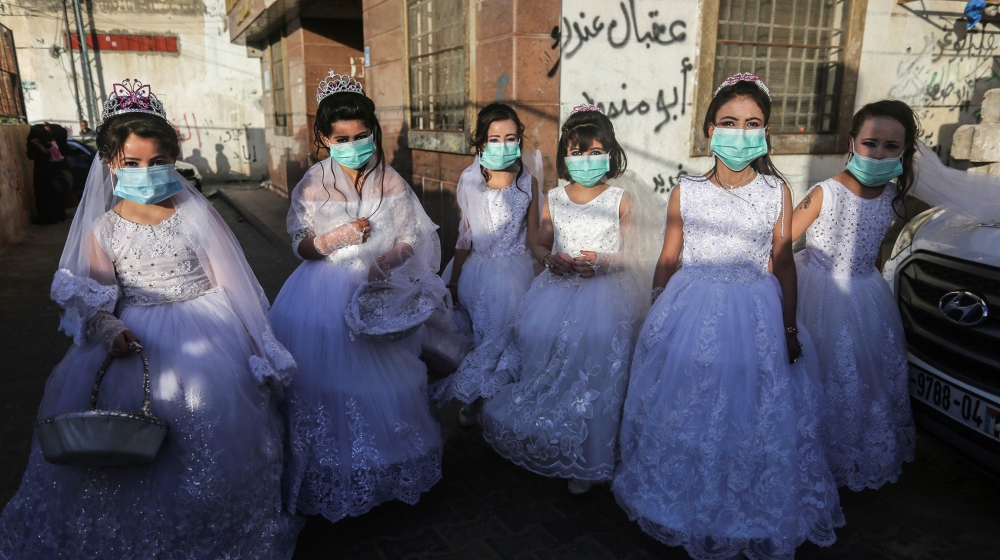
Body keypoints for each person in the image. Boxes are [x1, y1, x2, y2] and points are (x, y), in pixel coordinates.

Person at [0, 79, 302, 558]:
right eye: (132, 163)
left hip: (211, 332)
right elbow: (96, 303)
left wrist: (259, 345)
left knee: (214, 439)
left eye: (158, 161)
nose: (146, 172)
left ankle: (217, 532)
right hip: (138, 340)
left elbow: (234, 284)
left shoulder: (195, 214)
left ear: (173, 160)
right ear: (110, 165)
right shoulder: (102, 229)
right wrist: (111, 328)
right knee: (134, 445)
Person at [612, 73, 843, 559]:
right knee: (691, 405)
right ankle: (684, 500)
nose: (740, 133)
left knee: (750, 407)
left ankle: (747, 503)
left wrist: (789, 327)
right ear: (710, 130)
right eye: (730, 122)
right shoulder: (687, 189)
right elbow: (668, 257)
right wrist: (657, 314)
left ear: (766, 132)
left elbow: (783, 262)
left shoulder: (776, 190)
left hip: (756, 312)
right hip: (691, 308)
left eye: (752, 123)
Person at [270, 72, 445, 523]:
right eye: (342, 139)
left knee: (386, 381)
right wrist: (335, 238)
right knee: (328, 383)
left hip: (378, 290)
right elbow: (300, 244)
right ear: (325, 139)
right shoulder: (312, 183)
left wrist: (389, 258)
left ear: (373, 132)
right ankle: (333, 470)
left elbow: (412, 235)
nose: (352, 145)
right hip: (322, 293)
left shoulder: (392, 181)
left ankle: (386, 470)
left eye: (361, 136)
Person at [479, 105, 665, 495]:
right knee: (549, 357)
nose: (586, 160)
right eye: (578, 152)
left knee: (595, 368)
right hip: (557, 292)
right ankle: (556, 437)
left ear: (610, 153)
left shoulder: (621, 199)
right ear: (565, 155)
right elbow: (541, 243)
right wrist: (550, 259)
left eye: (595, 151)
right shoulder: (555, 197)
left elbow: (638, 255)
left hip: (606, 298)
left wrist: (606, 261)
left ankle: (589, 453)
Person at [791, 100, 918, 491]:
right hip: (817, 293)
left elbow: (874, 249)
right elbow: (779, 243)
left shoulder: (892, 196)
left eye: (891, 146)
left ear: (904, 151)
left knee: (863, 376)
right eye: (870, 143)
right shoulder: (823, 192)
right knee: (819, 371)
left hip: (866, 295)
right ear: (851, 143)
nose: (878, 153)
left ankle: (850, 453)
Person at [430, 103, 540, 424]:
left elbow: (535, 239)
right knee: (478, 336)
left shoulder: (528, 181)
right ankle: (476, 400)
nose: (503, 145)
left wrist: (544, 278)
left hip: (516, 272)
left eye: (510, 138)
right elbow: (464, 236)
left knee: (506, 333)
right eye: (494, 139)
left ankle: (487, 400)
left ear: (519, 140)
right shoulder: (470, 179)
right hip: (476, 270)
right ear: (481, 142)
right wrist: (452, 281)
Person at [26, 124, 66, 224]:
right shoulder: (49, 139)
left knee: (43, 194)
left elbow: (30, 155)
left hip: (40, 171)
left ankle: (47, 217)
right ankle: (59, 215)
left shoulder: (33, 141)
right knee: (55, 192)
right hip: (52, 169)